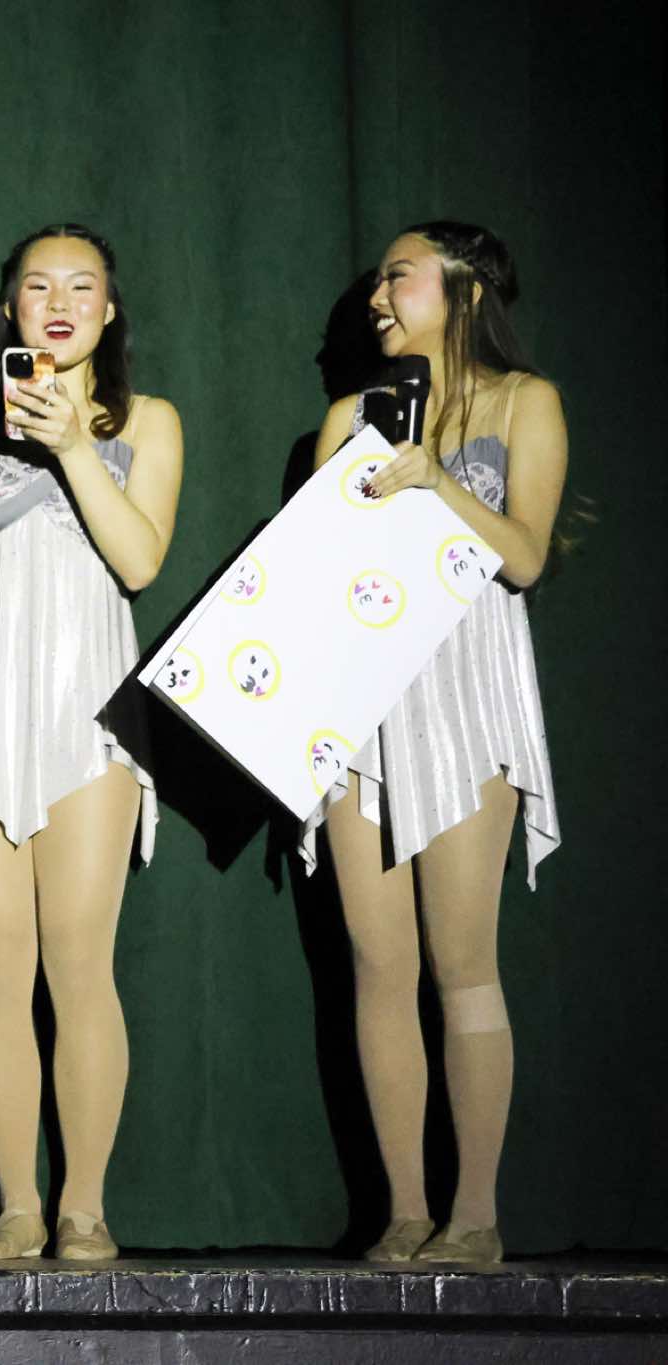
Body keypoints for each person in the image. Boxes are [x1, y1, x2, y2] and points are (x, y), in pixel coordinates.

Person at [0, 224, 183, 1261]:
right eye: (36, 287)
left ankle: (83, 1207)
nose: (58, 303)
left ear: (109, 310)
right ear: (10, 308)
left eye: (80, 287)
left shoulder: (148, 420)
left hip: (89, 705)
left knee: (78, 958)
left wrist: (69, 445)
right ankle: (17, 1203)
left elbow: (140, 561)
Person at [301, 221, 564, 1265]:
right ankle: (406, 1209)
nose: (377, 296)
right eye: (376, 280)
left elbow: (525, 559)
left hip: (466, 688)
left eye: (398, 277)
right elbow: (313, 576)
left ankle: (474, 1217)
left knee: (461, 961)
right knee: (377, 962)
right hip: (363, 699)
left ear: (464, 290)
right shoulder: (346, 417)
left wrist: (435, 482)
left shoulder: (523, 402)